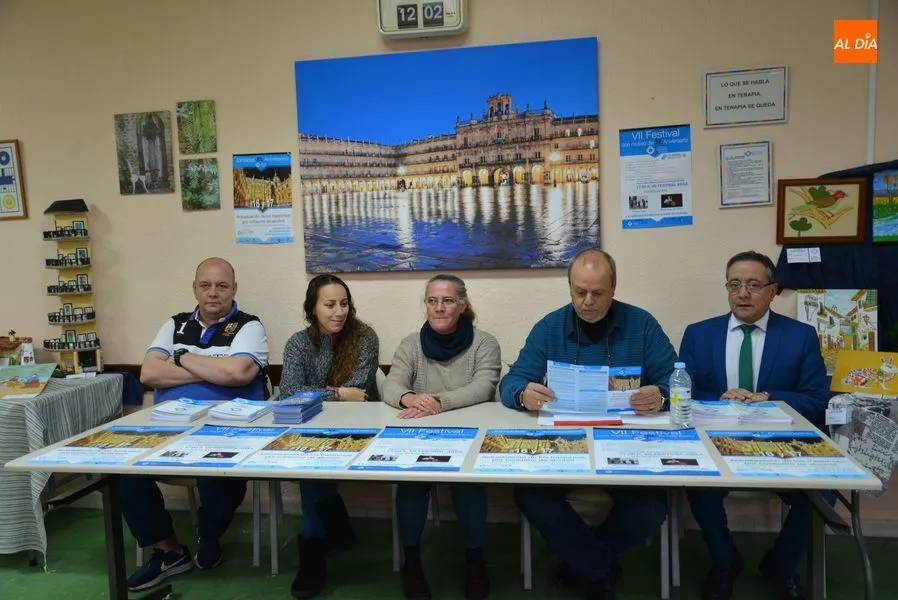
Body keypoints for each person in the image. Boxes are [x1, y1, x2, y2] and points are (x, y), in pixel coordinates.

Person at [499, 248, 676, 600]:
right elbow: (511, 382)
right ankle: (600, 567)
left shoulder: (642, 324)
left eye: (598, 293)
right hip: (564, 443)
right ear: (569, 289)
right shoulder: (549, 326)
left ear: (614, 289)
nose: (588, 302)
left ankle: (583, 561)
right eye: (580, 292)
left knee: (652, 508)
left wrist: (664, 395)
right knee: (530, 495)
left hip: (625, 443)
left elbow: (679, 380)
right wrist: (523, 394)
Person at [679, 250, 828, 600]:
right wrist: (717, 399)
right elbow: (682, 393)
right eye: (734, 284)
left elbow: (817, 398)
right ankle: (726, 562)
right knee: (698, 490)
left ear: (773, 290)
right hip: (717, 443)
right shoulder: (699, 334)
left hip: (781, 447)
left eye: (753, 285)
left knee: (820, 495)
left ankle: (780, 564)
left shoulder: (800, 336)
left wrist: (769, 397)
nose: (742, 293)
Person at [123, 257, 269, 591]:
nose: (213, 293)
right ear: (195, 289)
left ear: (234, 289)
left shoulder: (249, 326)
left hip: (228, 430)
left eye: (221, 286)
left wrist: (180, 358)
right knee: (123, 473)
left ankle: (209, 533)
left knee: (218, 476)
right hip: (168, 428)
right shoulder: (174, 324)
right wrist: (214, 365)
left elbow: (238, 373)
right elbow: (148, 373)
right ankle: (168, 550)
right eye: (205, 285)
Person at [383, 274, 502, 600]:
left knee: (468, 485)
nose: (439, 308)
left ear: (462, 305)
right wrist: (408, 398)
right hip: (421, 436)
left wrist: (438, 402)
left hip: (469, 437)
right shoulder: (410, 344)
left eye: (447, 301)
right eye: (432, 301)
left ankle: (475, 560)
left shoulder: (485, 343)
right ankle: (411, 562)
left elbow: (484, 386)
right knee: (410, 483)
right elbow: (391, 385)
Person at [280, 273, 380, 599]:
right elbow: (290, 394)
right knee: (310, 467)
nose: (339, 312)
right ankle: (328, 537)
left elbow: (361, 390)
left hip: (358, 428)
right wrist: (337, 393)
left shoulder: (365, 337)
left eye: (344, 304)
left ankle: (313, 552)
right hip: (311, 428)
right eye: (329, 305)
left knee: (311, 470)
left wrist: (327, 394)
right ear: (312, 308)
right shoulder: (298, 343)